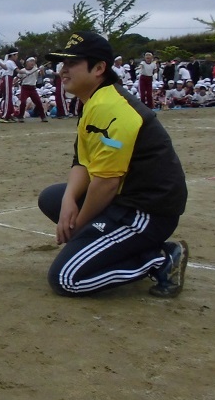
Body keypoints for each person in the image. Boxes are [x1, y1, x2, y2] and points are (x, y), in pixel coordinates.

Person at [37, 31, 188, 298]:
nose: (63, 70)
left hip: (146, 211)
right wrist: (69, 201)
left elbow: (106, 183)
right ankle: (114, 245)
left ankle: (160, 259)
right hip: (122, 199)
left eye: (72, 63)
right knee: (53, 199)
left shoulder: (112, 108)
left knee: (67, 279)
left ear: (99, 68)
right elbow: (82, 161)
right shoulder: (95, 101)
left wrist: (79, 226)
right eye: (63, 63)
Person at [15, 57, 48, 122]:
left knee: (38, 102)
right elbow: (17, 78)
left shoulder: (36, 69)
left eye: (33, 61)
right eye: (31, 61)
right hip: (25, 88)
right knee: (23, 102)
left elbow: (42, 74)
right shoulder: (23, 70)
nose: (32, 63)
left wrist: (42, 70)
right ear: (27, 63)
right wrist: (14, 83)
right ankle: (21, 117)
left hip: (33, 88)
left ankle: (43, 116)